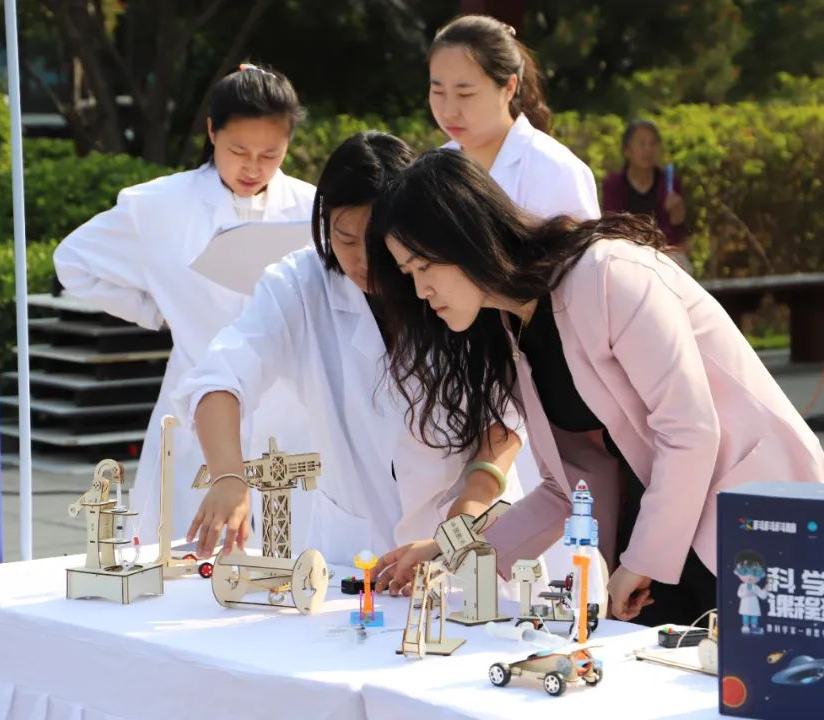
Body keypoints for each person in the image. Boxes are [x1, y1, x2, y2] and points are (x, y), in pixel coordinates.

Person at [366, 149, 824, 625]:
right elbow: (566, 489)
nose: (420, 291)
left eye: (424, 267)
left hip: (751, 525)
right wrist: (450, 550)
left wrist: (643, 561)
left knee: (774, 671)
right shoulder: (513, 331)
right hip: (658, 547)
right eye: (408, 274)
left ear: (465, 236)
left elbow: (689, 429)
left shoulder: (608, 274)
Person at [175, 133, 526, 570]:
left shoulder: (453, 281)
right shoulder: (300, 285)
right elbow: (221, 375)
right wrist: (229, 476)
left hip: (468, 532)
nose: (361, 260)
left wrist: (465, 514)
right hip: (357, 546)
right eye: (344, 238)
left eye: (378, 244)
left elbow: (505, 411)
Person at [53, 65, 316, 542]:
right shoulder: (159, 206)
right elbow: (74, 262)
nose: (253, 167)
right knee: (187, 550)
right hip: (197, 395)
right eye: (238, 151)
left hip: (290, 405)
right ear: (212, 131)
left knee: (293, 549)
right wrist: (156, 310)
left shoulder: (311, 208)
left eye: (270, 155)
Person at [428, 14, 599, 221]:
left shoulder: (555, 171)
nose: (449, 111)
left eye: (465, 94)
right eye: (438, 91)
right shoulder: (431, 172)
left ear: (509, 87)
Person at [602, 120, 689, 268]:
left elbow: (677, 238)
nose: (648, 149)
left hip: (663, 252)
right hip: (626, 253)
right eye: (642, 144)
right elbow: (613, 228)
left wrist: (677, 219)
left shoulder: (669, 183)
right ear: (627, 150)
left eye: (653, 144)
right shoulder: (614, 184)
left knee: (680, 265)